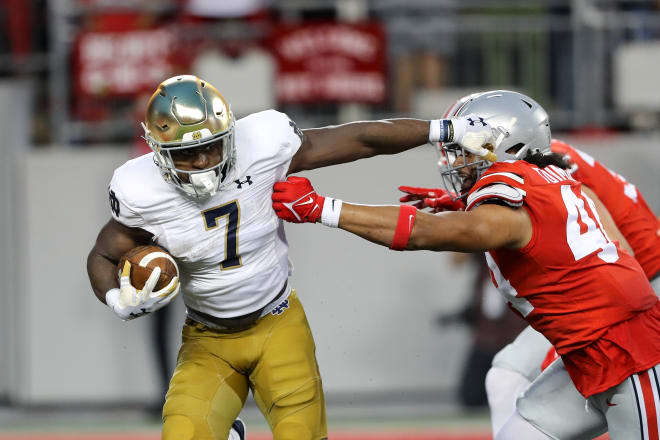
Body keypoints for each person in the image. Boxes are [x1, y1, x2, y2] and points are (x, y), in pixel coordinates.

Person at [86, 74, 490, 440]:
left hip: (277, 324)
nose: (203, 163)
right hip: (207, 339)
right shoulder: (140, 191)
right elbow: (104, 254)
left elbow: (359, 138)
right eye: (186, 154)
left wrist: (442, 130)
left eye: (210, 147)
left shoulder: (262, 143)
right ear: (157, 151)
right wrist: (116, 300)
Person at [271, 90, 660, 439]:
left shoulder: (512, 196)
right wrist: (461, 205)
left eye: (467, 148)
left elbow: (430, 234)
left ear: (506, 145)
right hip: (590, 356)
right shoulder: (547, 177)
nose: (456, 159)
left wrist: (325, 208)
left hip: (632, 358)